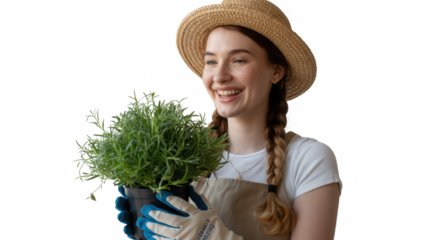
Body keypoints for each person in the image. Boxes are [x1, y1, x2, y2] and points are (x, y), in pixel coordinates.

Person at [116, 0, 343, 239]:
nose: (220, 76)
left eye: (238, 60)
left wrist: (214, 237)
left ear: (276, 71)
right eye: (211, 61)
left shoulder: (308, 159)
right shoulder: (183, 157)